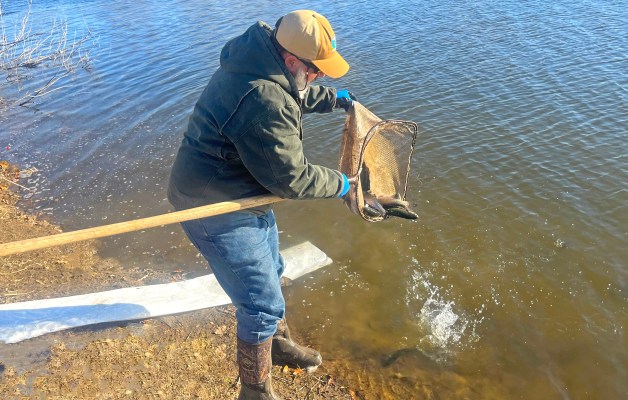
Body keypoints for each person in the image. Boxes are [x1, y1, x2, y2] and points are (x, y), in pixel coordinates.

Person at [167, 9, 356, 400]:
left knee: (274, 268)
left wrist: (332, 101)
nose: (319, 76)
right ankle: (255, 392)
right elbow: (292, 178)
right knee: (259, 302)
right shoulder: (263, 99)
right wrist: (341, 184)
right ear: (291, 60)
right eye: (317, 71)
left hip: (237, 190)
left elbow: (296, 90)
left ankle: (279, 346)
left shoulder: (260, 55)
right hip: (212, 204)